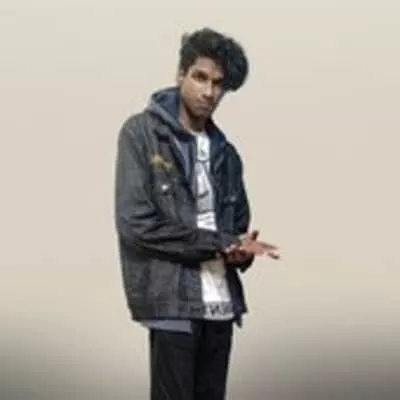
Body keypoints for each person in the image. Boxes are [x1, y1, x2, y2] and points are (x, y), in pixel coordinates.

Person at [114, 27, 280, 400]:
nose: (209, 92)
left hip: (222, 306)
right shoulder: (141, 134)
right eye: (200, 77)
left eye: (218, 84)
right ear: (180, 74)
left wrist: (239, 252)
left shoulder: (227, 155)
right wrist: (219, 243)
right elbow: (135, 225)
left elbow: (236, 229)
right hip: (173, 303)